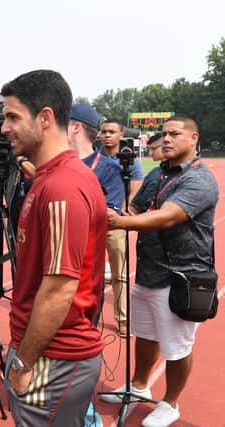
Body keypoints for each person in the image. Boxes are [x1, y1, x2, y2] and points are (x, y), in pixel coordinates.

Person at [0, 70, 106, 426]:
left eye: (13, 117)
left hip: (54, 359)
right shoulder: (50, 177)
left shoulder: (62, 186)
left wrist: (22, 362)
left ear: (45, 118)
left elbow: (60, 288)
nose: (4, 128)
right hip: (51, 354)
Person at [102, 115, 218, 427]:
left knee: (177, 346)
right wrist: (112, 211)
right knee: (146, 335)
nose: (165, 139)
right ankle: (139, 385)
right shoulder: (158, 175)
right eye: (164, 134)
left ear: (194, 138)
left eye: (174, 134)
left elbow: (166, 217)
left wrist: (118, 223)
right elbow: (137, 209)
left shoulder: (199, 180)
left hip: (181, 276)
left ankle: (171, 402)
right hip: (150, 271)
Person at [68, 103, 124, 328]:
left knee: (83, 331)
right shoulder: (52, 164)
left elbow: (109, 216)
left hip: (86, 269)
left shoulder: (109, 169)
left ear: (75, 128)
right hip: (52, 266)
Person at [100, 118, 145, 336]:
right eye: (104, 131)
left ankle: (123, 319)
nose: (107, 135)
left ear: (120, 134)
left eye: (111, 132)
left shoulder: (130, 160)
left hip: (116, 223)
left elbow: (135, 189)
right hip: (91, 223)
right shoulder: (92, 158)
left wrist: (123, 214)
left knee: (120, 275)